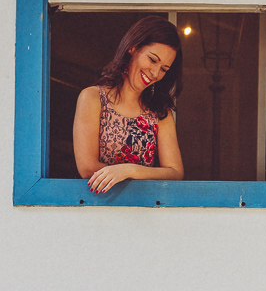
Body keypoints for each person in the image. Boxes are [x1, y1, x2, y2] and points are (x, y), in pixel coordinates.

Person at [73, 16, 185, 193]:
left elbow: (175, 173)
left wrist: (130, 170)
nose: (155, 73)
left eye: (164, 69)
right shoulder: (93, 98)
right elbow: (87, 167)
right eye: (153, 60)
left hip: (145, 207)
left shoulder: (159, 111)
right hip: (99, 208)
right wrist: (130, 173)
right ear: (133, 48)